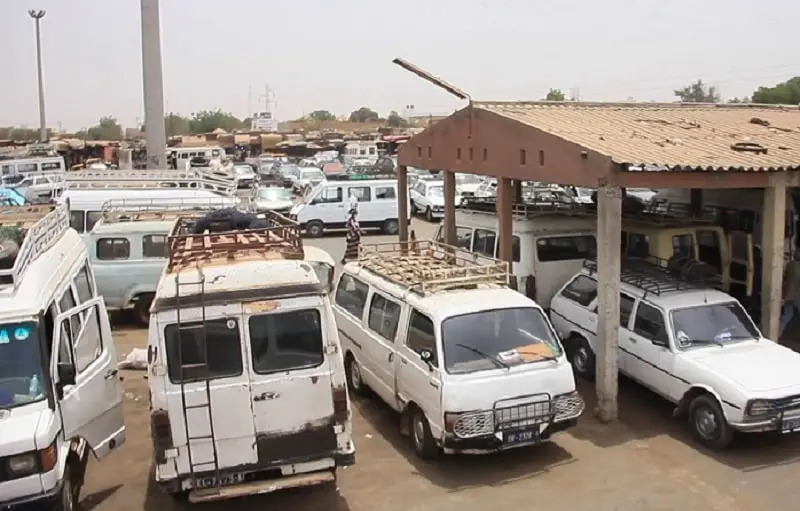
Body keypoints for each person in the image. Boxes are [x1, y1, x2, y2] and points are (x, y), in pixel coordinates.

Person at [780, 258, 800, 338]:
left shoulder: (790, 264)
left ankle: (777, 334)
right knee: (788, 314)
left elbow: (785, 277)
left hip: (788, 293)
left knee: (787, 315)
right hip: (797, 294)